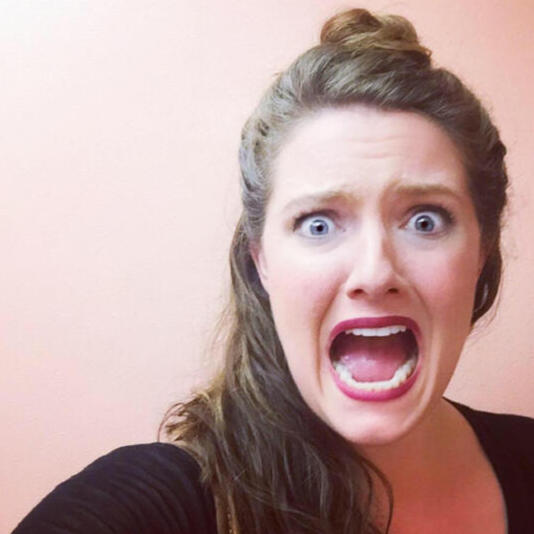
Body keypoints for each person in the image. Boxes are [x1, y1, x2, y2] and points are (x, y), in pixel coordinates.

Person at [13, 8, 534, 534]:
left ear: (483, 250)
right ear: (261, 260)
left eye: (425, 220)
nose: (376, 272)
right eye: (318, 224)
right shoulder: (161, 504)